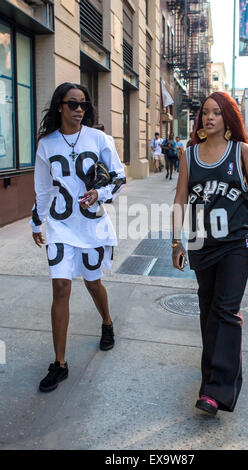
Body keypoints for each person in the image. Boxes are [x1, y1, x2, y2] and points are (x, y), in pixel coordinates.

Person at [172, 91, 248, 415]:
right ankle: (216, 376)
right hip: (202, 246)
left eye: (216, 112)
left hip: (236, 244)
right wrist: (176, 241)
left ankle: (215, 391)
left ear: (227, 117)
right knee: (209, 312)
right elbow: (179, 200)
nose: (209, 117)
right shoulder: (189, 155)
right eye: (205, 112)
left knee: (226, 311)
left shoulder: (241, 152)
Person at [31, 82, 126, 393]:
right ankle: (59, 364)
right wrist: (37, 221)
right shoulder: (46, 144)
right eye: (73, 104)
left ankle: (107, 322)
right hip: (60, 225)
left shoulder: (99, 138)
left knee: (92, 281)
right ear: (60, 106)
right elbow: (44, 188)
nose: (80, 109)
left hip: (91, 225)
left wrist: (100, 191)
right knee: (60, 287)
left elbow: (119, 175)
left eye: (84, 104)